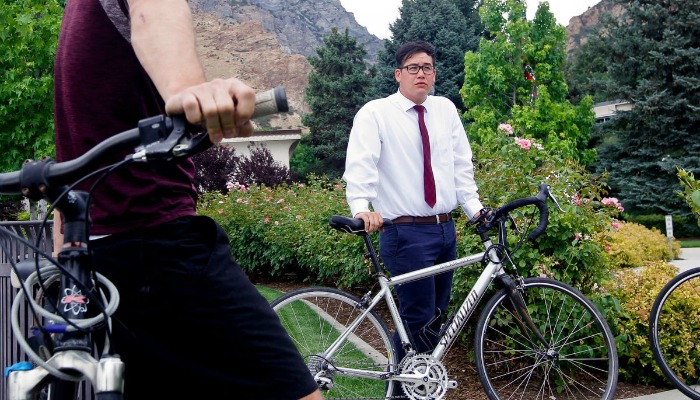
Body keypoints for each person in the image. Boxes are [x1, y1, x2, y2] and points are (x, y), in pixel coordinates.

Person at [52, 0, 322, 399]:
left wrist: (65, 265)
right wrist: (188, 90)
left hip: (99, 260)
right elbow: (152, 18)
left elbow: (72, 164)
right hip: (160, 250)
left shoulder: (77, 14)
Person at [343, 41, 485, 370]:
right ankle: (403, 390)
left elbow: (461, 166)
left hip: (445, 229)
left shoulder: (445, 110)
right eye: (413, 68)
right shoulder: (375, 113)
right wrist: (361, 207)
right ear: (398, 74)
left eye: (427, 68)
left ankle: (412, 385)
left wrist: (475, 209)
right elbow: (361, 165)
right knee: (418, 319)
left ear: (434, 74)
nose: (421, 74)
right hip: (405, 232)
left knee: (435, 318)